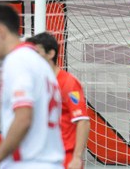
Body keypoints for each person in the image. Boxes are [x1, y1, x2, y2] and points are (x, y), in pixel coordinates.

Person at [0, 3, 64, 169]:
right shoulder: (41, 63)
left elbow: (23, 119)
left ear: (0, 31)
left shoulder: (17, 60)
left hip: (29, 163)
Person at [27, 32, 90, 169]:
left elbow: (83, 121)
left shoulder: (68, 83)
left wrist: (76, 157)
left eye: (36, 53)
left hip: (64, 156)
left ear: (51, 54)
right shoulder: (34, 83)